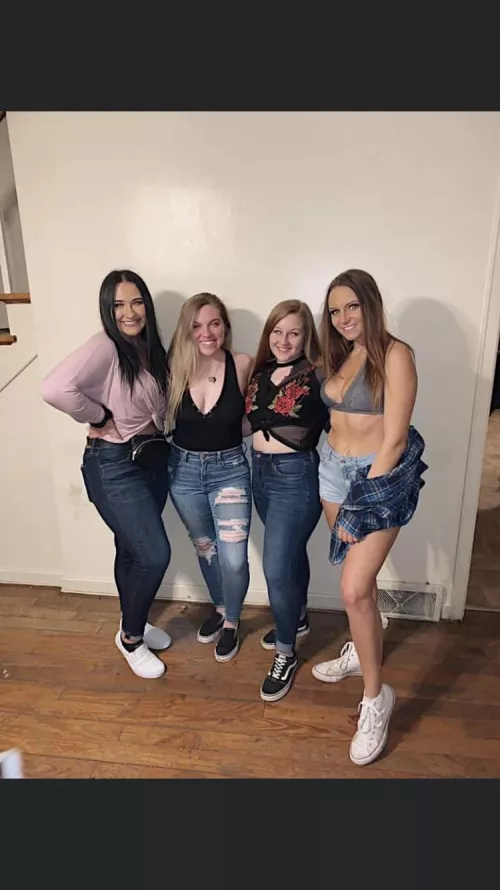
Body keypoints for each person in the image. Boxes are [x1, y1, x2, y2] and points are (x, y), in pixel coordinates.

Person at [312, 269, 427, 766]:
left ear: (371, 303)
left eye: (352, 307)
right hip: (331, 471)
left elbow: (395, 438)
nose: (343, 318)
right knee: (361, 581)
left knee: (353, 589)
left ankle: (376, 698)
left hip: (373, 478)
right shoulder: (343, 352)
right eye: (335, 311)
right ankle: (362, 651)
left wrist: (363, 499)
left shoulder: (395, 354)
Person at [41, 270, 172, 680]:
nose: (129, 312)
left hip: (150, 458)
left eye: (136, 302)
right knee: (154, 554)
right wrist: (98, 415)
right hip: (113, 463)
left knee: (131, 549)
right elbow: (54, 388)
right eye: (118, 305)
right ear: (107, 309)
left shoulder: (148, 347)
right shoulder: (106, 345)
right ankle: (130, 638)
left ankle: (134, 621)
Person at [245, 300, 328, 702]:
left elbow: (345, 419)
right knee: (291, 556)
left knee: (277, 566)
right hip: (259, 474)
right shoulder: (260, 373)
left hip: (296, 479)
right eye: (277, 332)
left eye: (293, 332)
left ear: (306, 336)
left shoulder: (318, 374)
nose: (284, 340)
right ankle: (298, 617)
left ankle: (286, 653)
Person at [166, 293, 253, 663]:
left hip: (229, 469)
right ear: (186, 330)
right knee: (205, 547)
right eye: (197, 325)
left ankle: (232, 620)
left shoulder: (241, 364)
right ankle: (220, 608)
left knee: (234, 558)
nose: (207, 332)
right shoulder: (173, 367)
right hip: (183, 471)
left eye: (214, 323)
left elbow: (251, 417)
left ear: (225, 327)